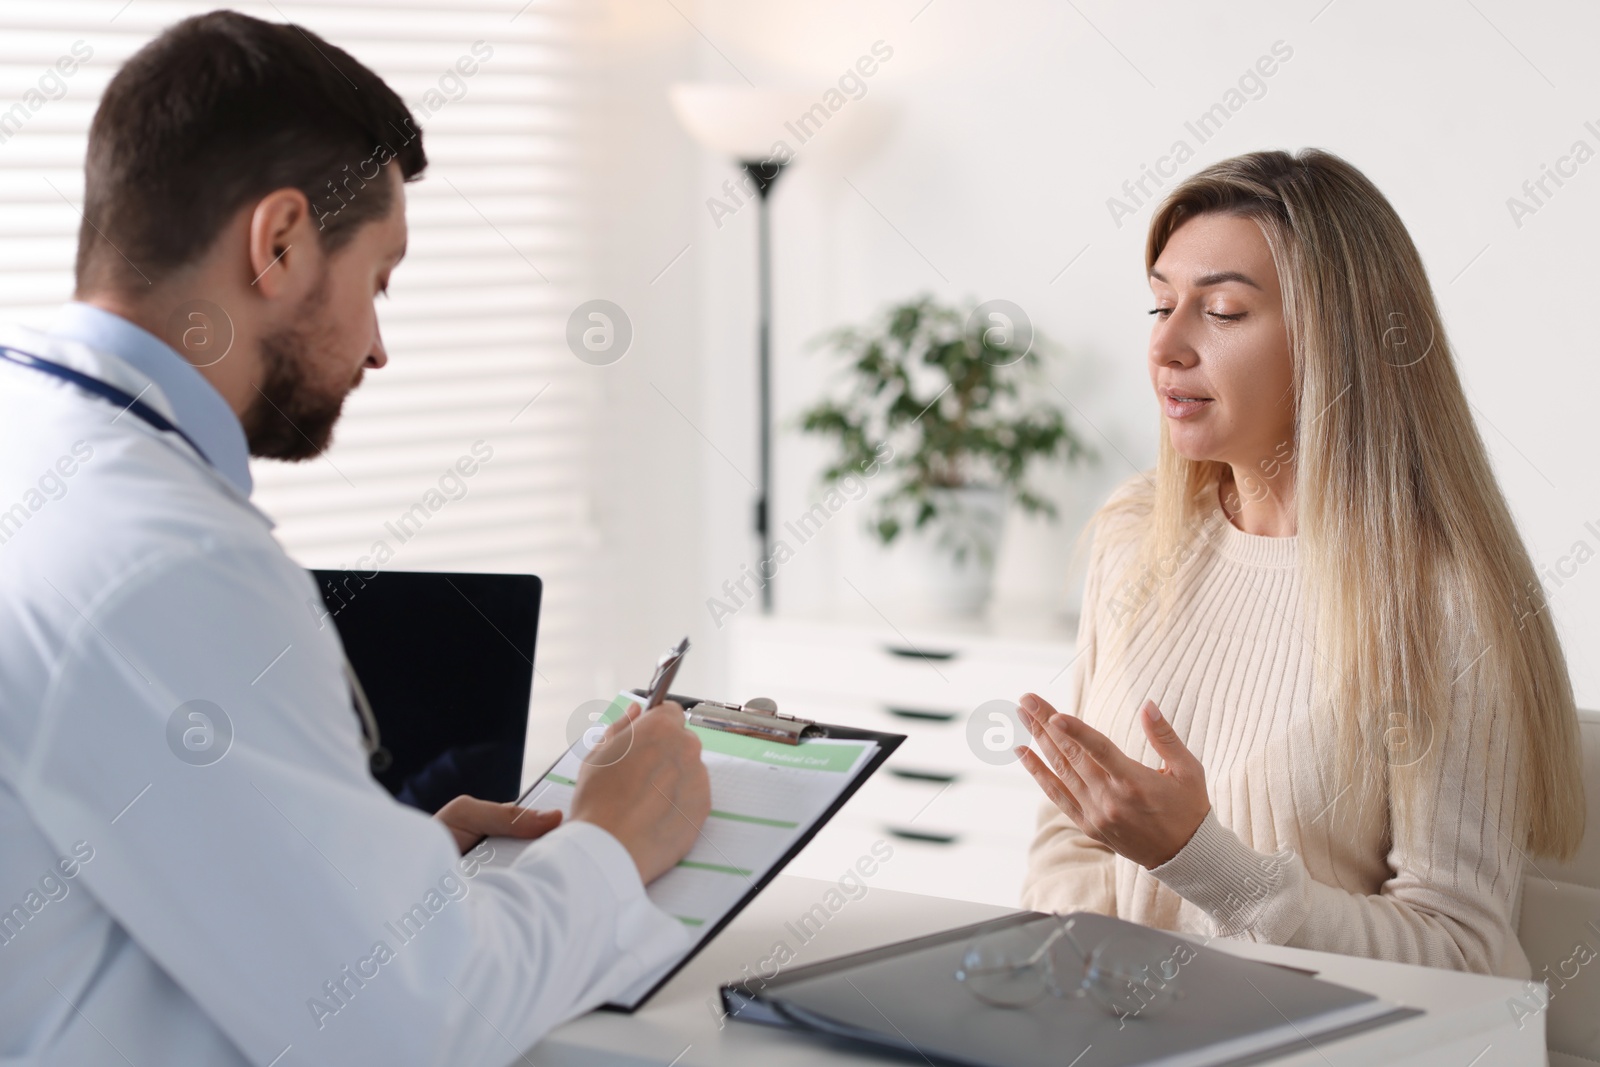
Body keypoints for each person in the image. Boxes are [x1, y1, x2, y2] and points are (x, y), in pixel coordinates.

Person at [0, 11, 710, 1065]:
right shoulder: (169, 554)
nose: (378, 348)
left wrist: (375, 866)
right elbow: (407, 1020)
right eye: (378, 281)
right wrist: (611, 840)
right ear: (279, 241)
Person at [1015, 148, 1585, 979]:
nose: (1167, 345)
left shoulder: (1444, 600)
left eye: (1223, 311)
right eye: (1162, 305)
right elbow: (1072, 833)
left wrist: (1202, 859)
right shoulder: (1135, 534)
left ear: (1336, 344)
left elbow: (1465, 953)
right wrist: (1088, 981)